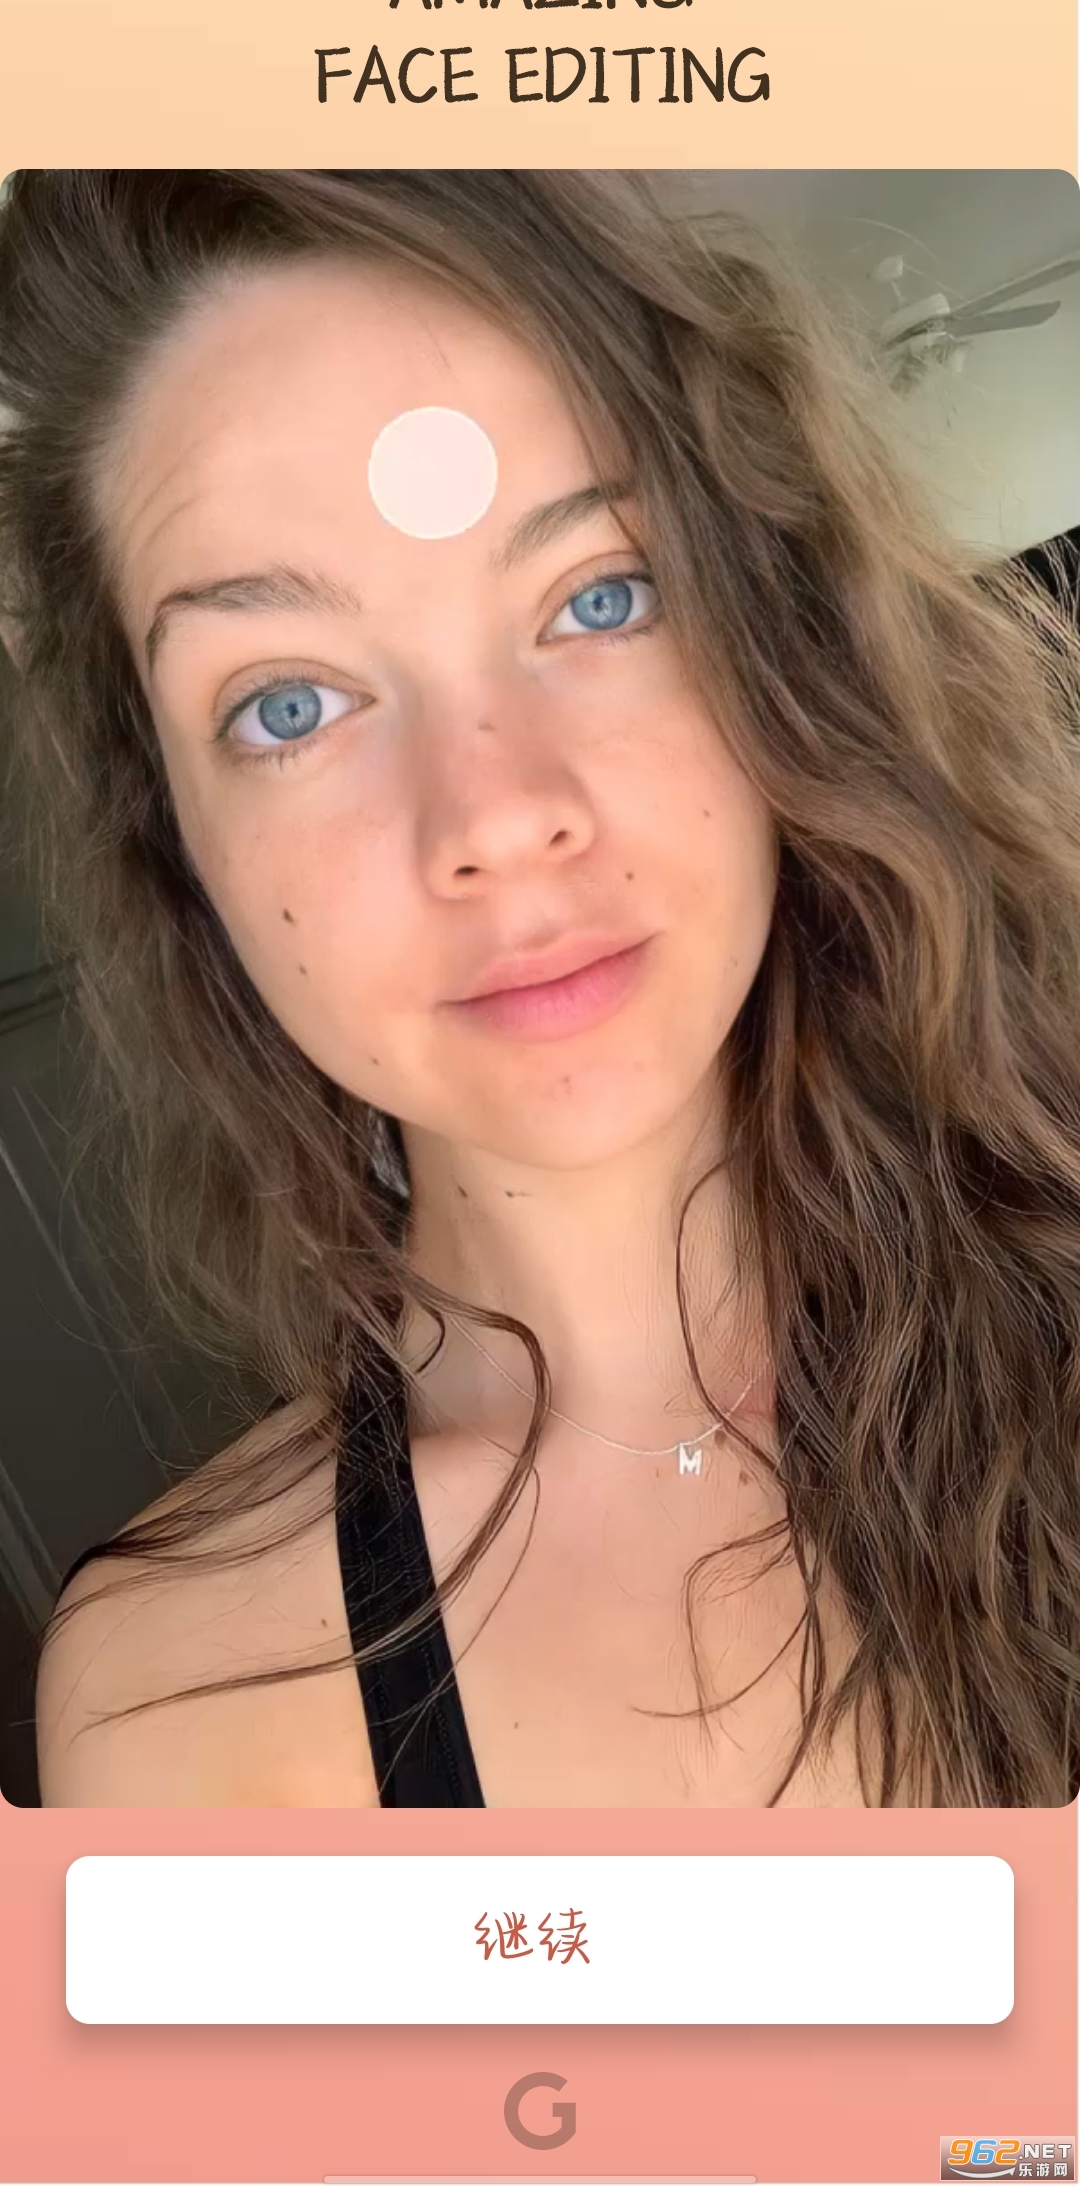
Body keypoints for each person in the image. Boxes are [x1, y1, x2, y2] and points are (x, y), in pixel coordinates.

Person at [1, 168, 1078, 1811]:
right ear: (179, 844)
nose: (498, 817)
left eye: (601, 598)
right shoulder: (178, 1702)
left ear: (785, 641)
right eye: (290, 704)